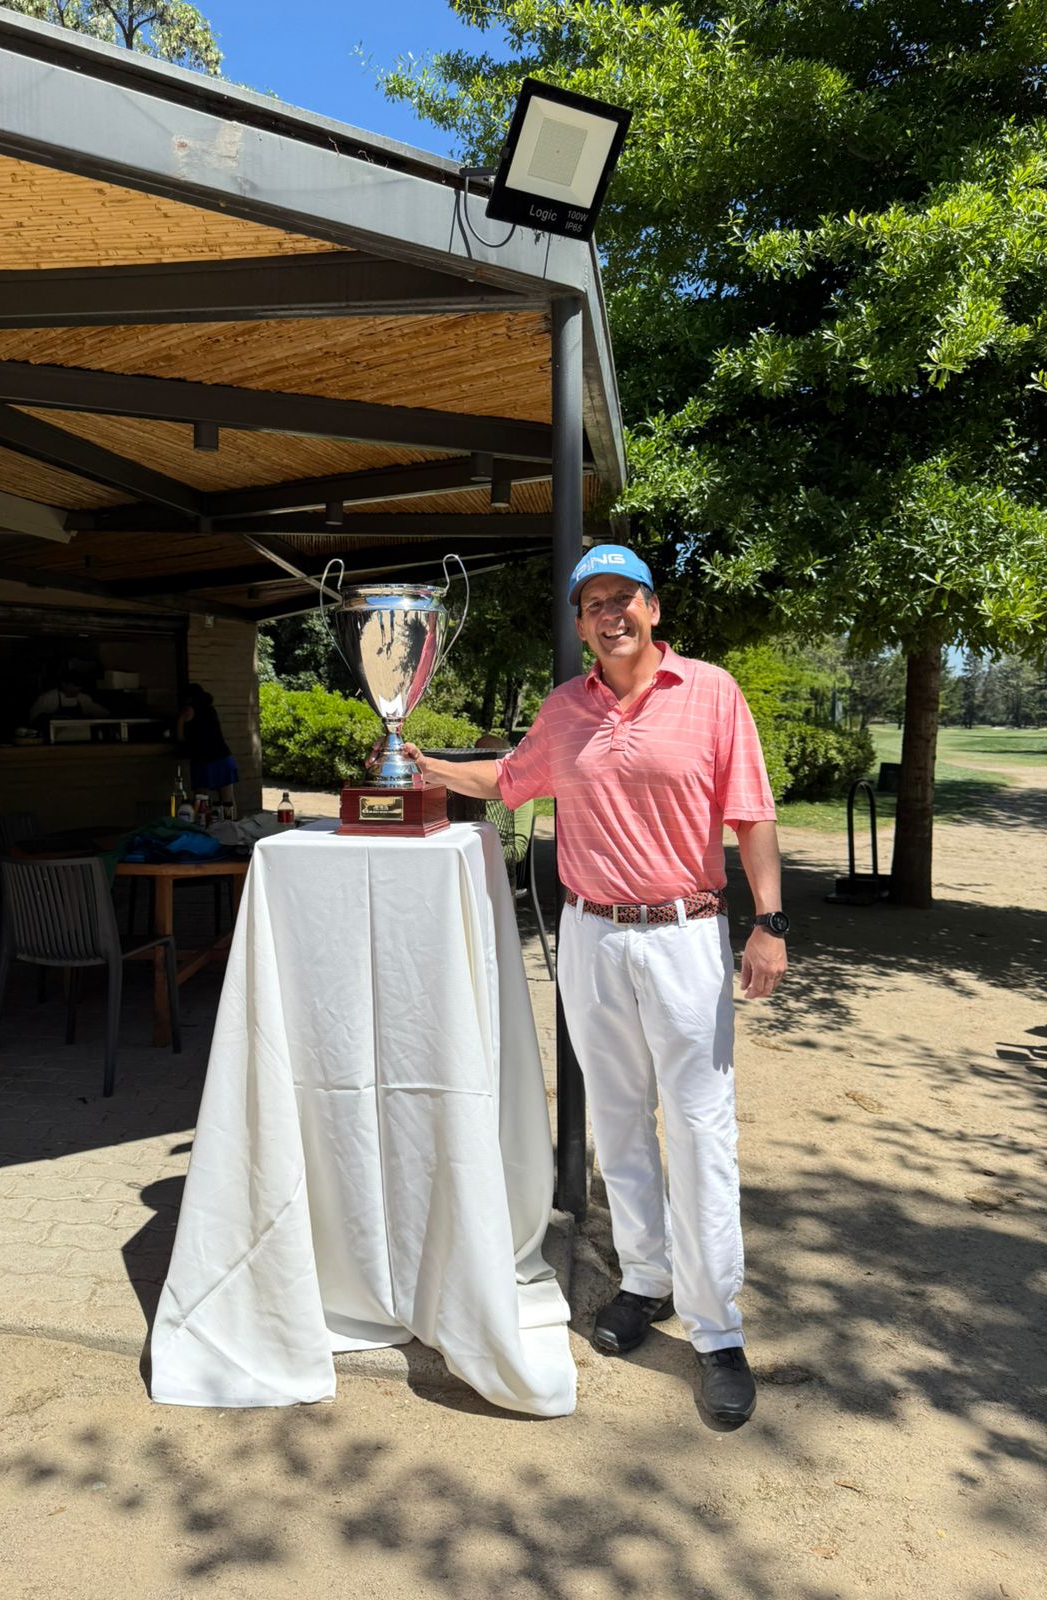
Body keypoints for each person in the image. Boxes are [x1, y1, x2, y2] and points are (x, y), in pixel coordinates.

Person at [400, 544, 787, 1425]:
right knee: (617, 1121)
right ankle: (645, 1280)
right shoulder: (564, 709)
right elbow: (510, 780)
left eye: (624, 598)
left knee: (700, 1130)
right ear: (579, 623)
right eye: (592, 604)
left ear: (653, 608)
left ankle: (717, 1330)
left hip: (684, 933)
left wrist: (770, 921)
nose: (610, 615)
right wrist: (426, 767)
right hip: (592, 934)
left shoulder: (711, 692)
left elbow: (751, 813)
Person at [177, 682, 238, 803]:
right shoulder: (211, 709)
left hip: (203, 760)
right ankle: (229, 816)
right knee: (228, 802)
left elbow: (179, 736)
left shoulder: (187, 710)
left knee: (201, 802)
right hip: (224, 756)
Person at [27, 672, 108, 725]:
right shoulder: (48, 698)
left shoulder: (84, 699)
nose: (77, 688)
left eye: (79, 686)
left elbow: (102, 713)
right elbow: (34, 717)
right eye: (74, 685)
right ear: (64, 684)